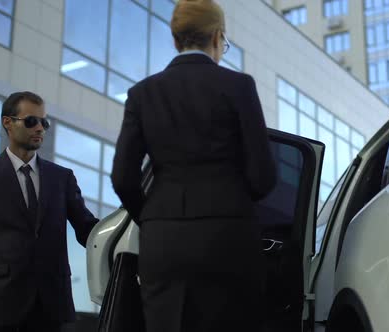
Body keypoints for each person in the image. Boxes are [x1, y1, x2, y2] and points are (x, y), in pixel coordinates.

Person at [110, 0, 277, 331]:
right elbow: (263, 176)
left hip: (164, 238)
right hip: (227, 235)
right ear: (217, 37)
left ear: (175, 40)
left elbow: (123, 178)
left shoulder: (143, 94)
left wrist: (153, 217)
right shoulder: (240, 87)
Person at [0, 91, 99, 332]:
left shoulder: (62, 178)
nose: (40, 128)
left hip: (50, 308)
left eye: (44, 122)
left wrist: (127, 224)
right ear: (7, 122)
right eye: (32, 121)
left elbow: (88, 230)